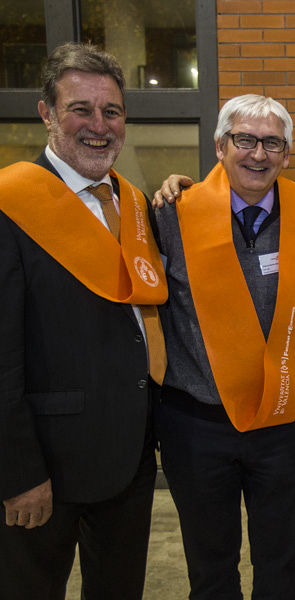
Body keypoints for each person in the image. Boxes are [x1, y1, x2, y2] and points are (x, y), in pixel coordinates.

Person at [0, 42, 166, 599]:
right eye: (81, 109)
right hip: (47, 464)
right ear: (47, 112)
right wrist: (18, 473)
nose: (99, 125)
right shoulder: (9, 206)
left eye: (112, 111)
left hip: (129, 457)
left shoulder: (133, 202)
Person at [152, 94, 295, 599]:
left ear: (287, 154)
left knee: (281, 566)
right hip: (197, 423)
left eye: (272, 143)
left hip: (281, 421)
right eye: (245, 140)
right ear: (220, 146)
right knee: (209, 567)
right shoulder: (171, 213)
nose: (258, 154)